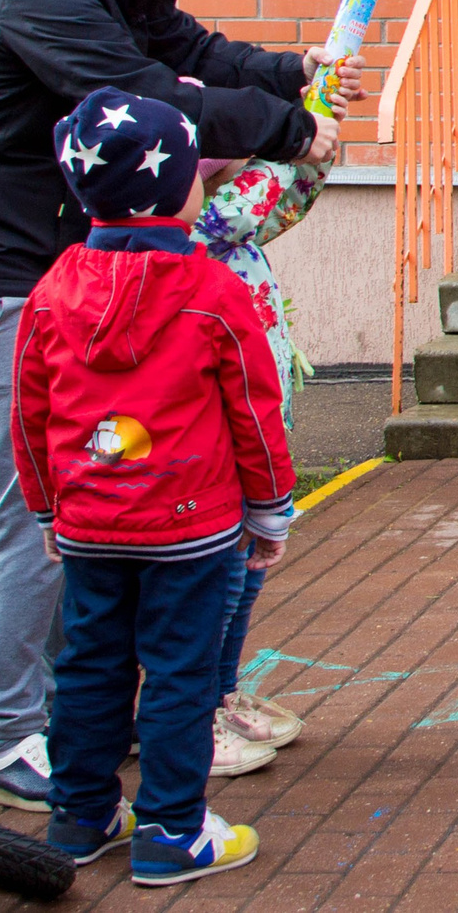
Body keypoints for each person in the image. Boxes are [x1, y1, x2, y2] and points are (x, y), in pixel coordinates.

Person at [0, 0, 348, 812]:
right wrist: (287, 130)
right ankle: (8, 734)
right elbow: (143, 90)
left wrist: (286, 71)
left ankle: (80, 712)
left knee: (90, 501)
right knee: (23, 506)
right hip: (2, 273)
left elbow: (186, 44)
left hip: (53, 266)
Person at [14, 88, 297, 885]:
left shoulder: (54, 288)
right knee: (180, 671)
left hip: (87, 520)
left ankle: (80, 813)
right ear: (178, 185)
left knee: (90, 664)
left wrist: (45, 508)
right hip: (189, 525)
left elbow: (29, 414)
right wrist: (270, 509)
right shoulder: (210, 293)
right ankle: (173, 829)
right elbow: (252, 406)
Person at [188, 150, 328, 777]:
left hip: (256, 415)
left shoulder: (233, 210)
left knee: (244, 574)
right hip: (218, 425)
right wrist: (296, 131)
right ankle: (195, 715)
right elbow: (251, 200)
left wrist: (320, 145)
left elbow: (290, 199)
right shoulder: (198, 216)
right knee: (219, 577)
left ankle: (220, 691)